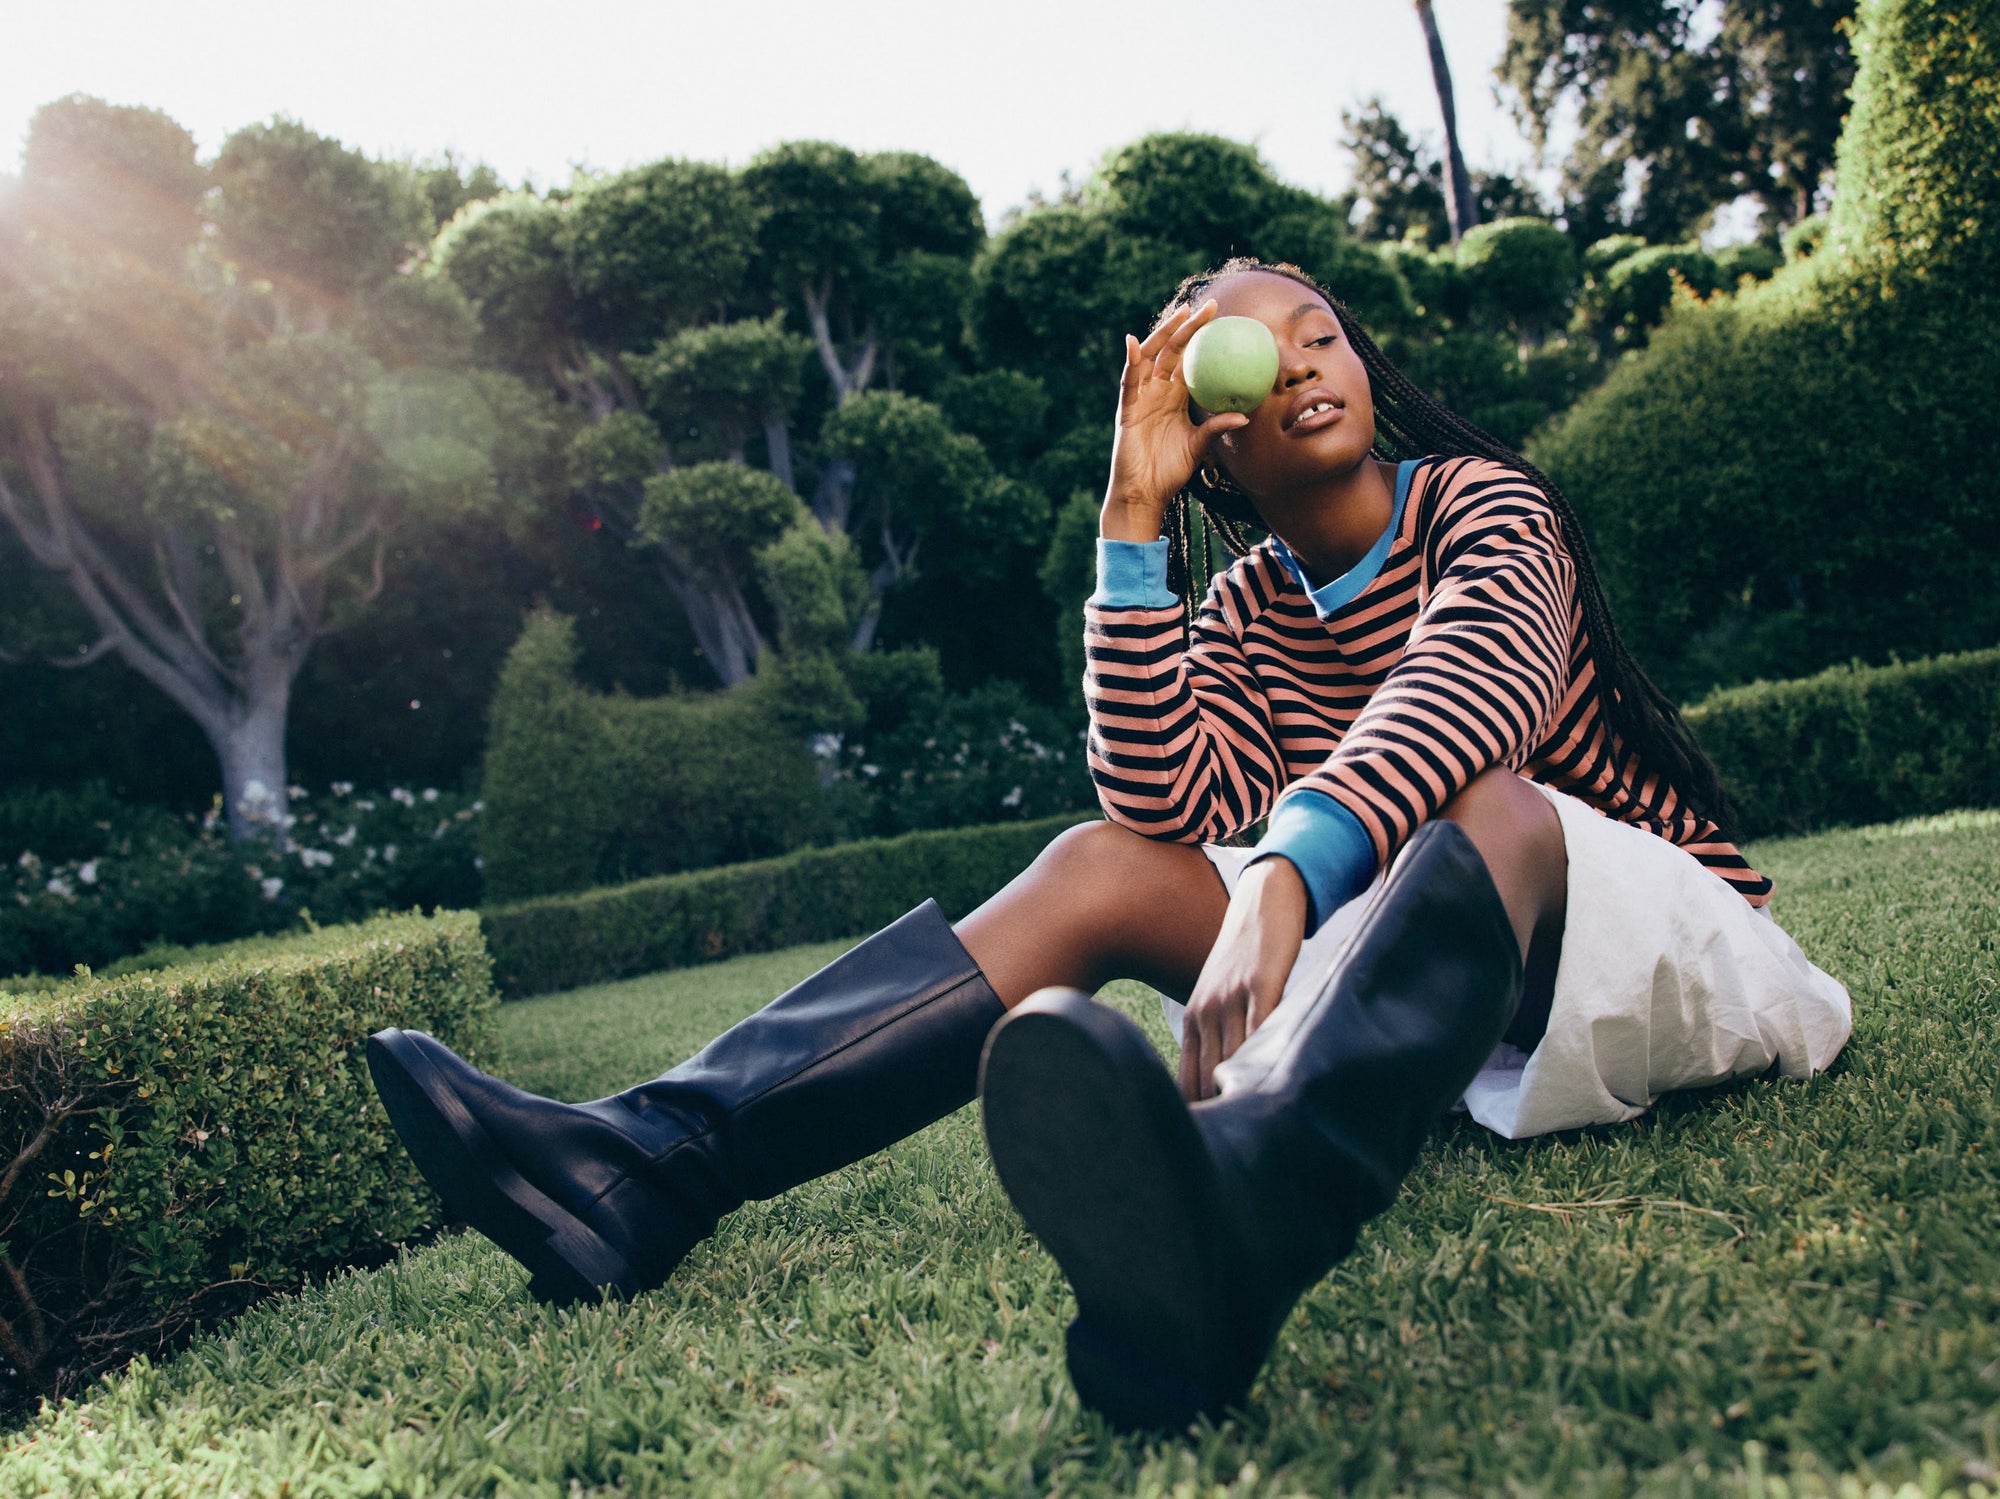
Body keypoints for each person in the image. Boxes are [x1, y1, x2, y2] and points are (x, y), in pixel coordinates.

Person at [367, 258, 1851, 1432]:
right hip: (1445, 1014)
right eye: (1256, 354)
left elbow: (1478, 687)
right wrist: (1131, 514)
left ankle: (1250, 1203)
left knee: (1486, 802)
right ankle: (651, 1165)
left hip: (1664, 962)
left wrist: (1286, 872)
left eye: (1322, 332)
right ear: (1219, 434)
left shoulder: (1482, 506)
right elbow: (1157, 800)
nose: (1304, 361)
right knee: (1096, 864)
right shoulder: (1247, 611)